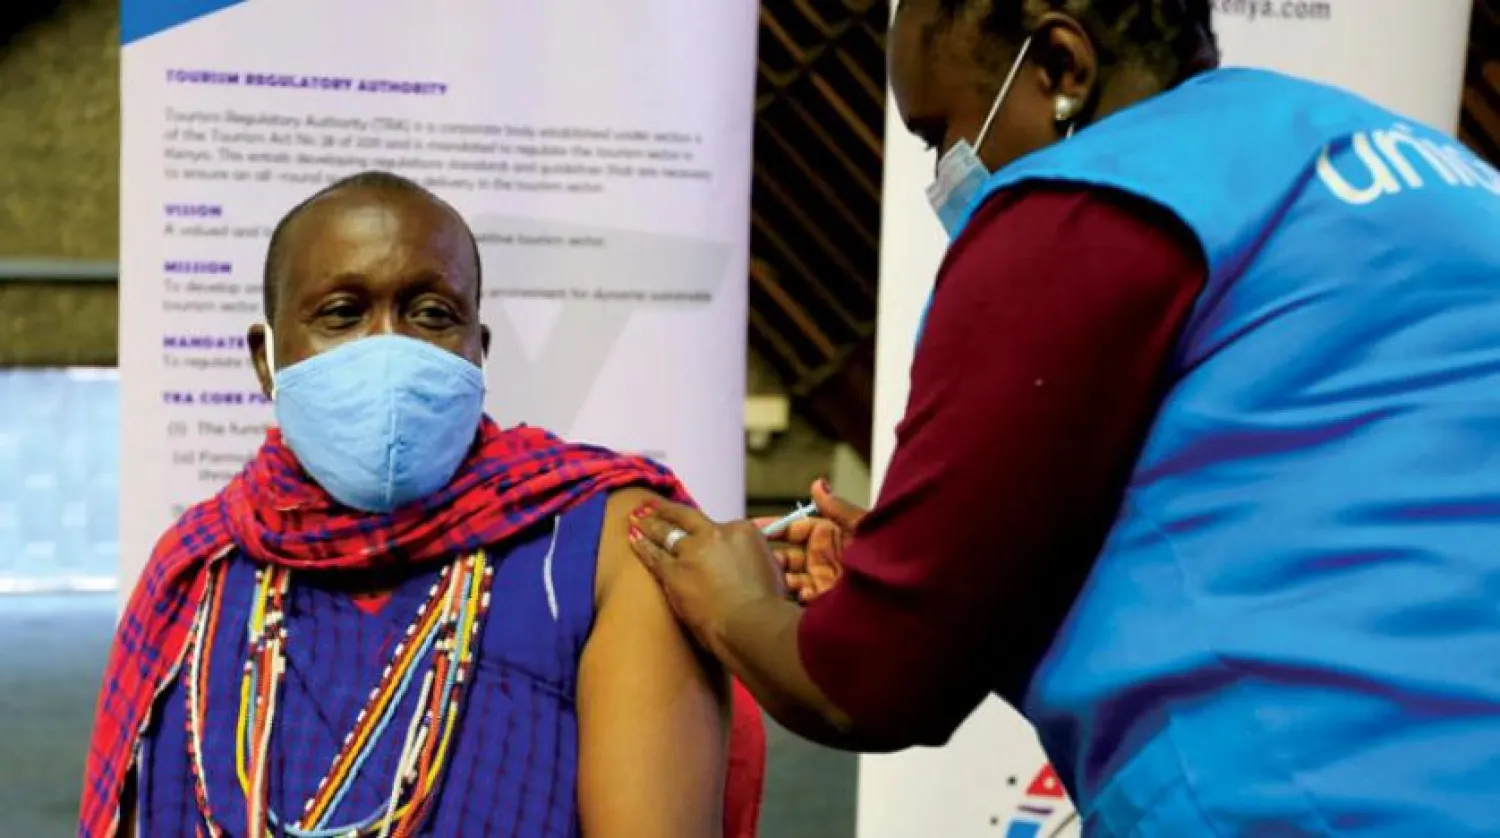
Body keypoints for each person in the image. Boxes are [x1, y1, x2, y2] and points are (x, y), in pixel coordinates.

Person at [626, 0, 1500, 834]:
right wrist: (940, 574)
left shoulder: (1085, 202)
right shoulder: (1408, 162)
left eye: (942, 132)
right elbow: (1295, 511)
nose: (947, 174)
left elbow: (871, 685)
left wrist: (732, 606)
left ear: (1058, 65)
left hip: (1319, 794)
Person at [81, 171, 765, 838]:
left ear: (478, 352)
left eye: (432, 314)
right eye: (342, 314)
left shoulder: (605, 541)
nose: (389, 348)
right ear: (267, 360)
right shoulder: (202, 567)